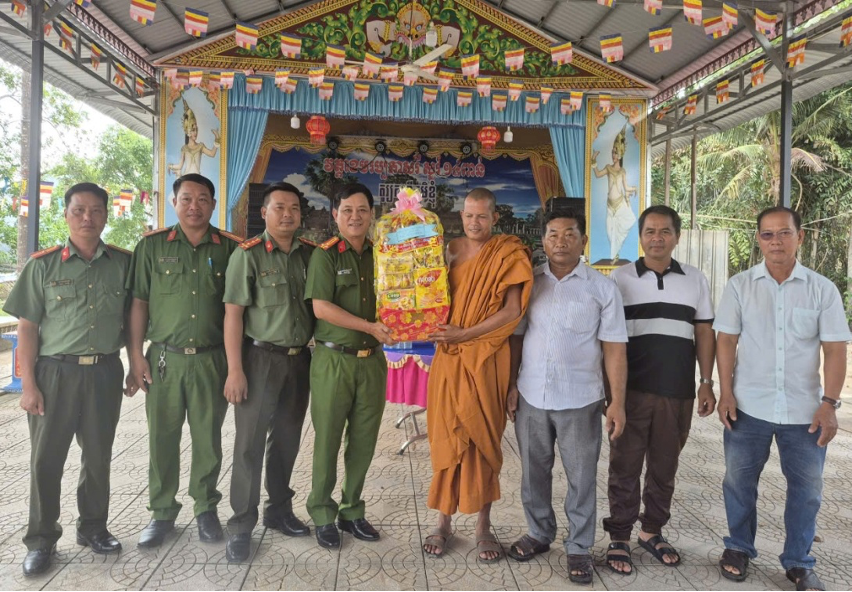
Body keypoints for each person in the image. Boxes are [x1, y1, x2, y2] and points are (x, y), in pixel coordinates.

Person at [714, 206, 849, 592]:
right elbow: (726, 340)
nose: (776, 241)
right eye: (768, 234)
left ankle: (799, 562)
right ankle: (738, 547)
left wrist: (830, 404)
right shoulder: (740, 286)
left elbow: (835, 349)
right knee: (738, 482)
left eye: (784, 233)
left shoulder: (822, 289)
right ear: (759, 239)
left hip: (805, 411)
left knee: (807, 490)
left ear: (799, 237)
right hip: (748, 407)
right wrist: (725, 391)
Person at [3, 183, 132, 576]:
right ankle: (41, 539)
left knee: (98, 456)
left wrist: (136, 362)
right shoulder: (42, 265)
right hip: (54, 373)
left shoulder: (123, 264)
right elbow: (27, 328)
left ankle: (93, 527)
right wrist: (28, 385)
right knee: (47, 459)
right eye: (79, 210)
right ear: (66, 214)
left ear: (107, 215)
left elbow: (134, 318)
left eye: (96, 210)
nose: (87, 218)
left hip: (105, 371)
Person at [506, 210, 627, 584]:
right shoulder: (529, 283)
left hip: (580, 398)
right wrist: (511, 385)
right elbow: (516, 338)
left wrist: (617, 401)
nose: (561, 241)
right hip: (532, 394)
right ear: (543, 241)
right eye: (553, 234)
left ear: (583, 241)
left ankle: (578, 547)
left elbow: (614, 348)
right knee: (533, 472)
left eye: (570, 234)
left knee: (581, 476)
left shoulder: (602, 288)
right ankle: (539, 532)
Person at [125, 173, 241, 548]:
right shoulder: (152, 246)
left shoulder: (231, 249)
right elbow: (138, 303)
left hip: (211, 359)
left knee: (208, 438)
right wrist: (135, 356)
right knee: (162, 437)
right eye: (186, 199)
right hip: (164, 359)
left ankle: (205, 508)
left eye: (203, 199)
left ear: (213, 204)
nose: (194, 206)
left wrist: (236, 366)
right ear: (174, 203)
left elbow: (237, 311)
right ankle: (162, 513)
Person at [603, 205, 716, 575]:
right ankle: (620, 535)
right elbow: (608, 340)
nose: (657, 238)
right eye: (650, 231)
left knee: (665, 466)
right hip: (630, 391)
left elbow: (704, 332)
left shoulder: (695, 279)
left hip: (677, 391)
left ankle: (651, 530)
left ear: (677, 237)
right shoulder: (619, 279)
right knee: (624, 465)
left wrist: (705, 382)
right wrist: (612, 396)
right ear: (640, 237)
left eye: (665, 231)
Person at [423, 188, 533, 562]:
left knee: (483, 439)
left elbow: (512, 311)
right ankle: (443, 522)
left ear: (494, 217)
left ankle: (484, 526)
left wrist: (465, 334)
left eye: (482, 216)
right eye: (469, 215)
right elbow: (433, 298)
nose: (474, 222)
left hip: (487, 356)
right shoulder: (450, 250)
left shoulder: (509, 253)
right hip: (450, 358)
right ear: (462, 216)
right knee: (446, 436)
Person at [221, 182, 316, 562]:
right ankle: (241, 525)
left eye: (294, 208)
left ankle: (279, 510)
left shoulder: (310, 255)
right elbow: (233, 315)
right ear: (264, 213)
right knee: (249, 444)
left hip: (299, 360)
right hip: (259, 359)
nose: (287, 214)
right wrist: (235, 370)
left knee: (287, 440)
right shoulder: (248, 255)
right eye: (279, 207)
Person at [304, 183, 395, 549]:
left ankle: (352, 509)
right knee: (327, 439)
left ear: (371, 214)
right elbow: (321, 308)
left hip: (372, 362)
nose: (355, 217)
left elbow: (396, 296)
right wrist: (370, 327)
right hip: (333, 361)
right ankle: (322, 512)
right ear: (335, 214)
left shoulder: (383, 255)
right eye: (347, 210)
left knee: (363, 441)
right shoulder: (325, 255)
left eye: (361, 210)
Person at [592, 125, 637, 263]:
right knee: (609, 230)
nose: (613, 155)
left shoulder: (622, 171)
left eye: (616, 153)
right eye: (612, 152)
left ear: (620, 154)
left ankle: (615, 255)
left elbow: (625, 187)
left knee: (628, 222)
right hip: (610, 205)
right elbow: (598, 174)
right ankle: (615, 253)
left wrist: (633, 189)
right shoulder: (608, 168)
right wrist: (593, 160)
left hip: (620, 203)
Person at [167, 98, 219, 177]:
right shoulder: (184, 148)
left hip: (197, 178)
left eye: (196, 130)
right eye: (193, 130)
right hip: (186, 177)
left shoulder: (200, 146)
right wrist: (170, 166)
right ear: (188, 132)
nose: (195, 133)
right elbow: (180, 166)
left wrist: (217, 138)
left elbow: (212, 154)